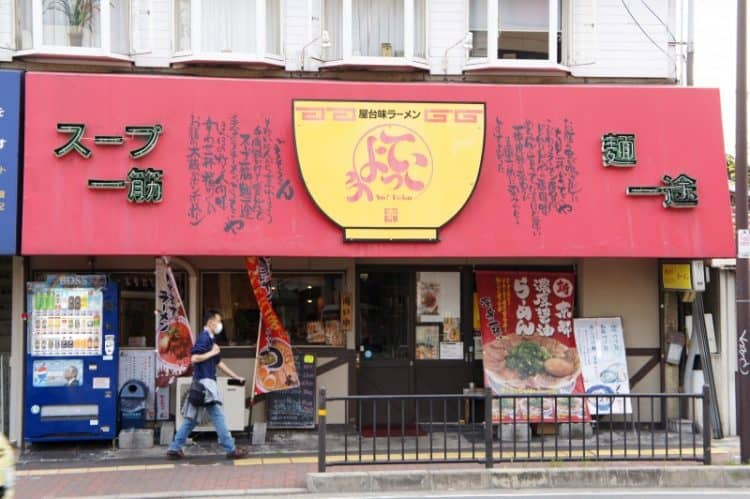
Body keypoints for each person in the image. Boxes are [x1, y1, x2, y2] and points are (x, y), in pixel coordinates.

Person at [167, 309, 248, 460]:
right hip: (205, 385)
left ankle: (175, 448)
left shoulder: (210, 340)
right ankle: (230, 449)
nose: (220, 324)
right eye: (219, 321)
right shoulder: (204, 338)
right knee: (218, 417)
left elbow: (219, 363)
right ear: (211, 322)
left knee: (191, 419)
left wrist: (236, 377)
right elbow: (195, 358)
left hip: (200, 383)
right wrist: (212, 352)